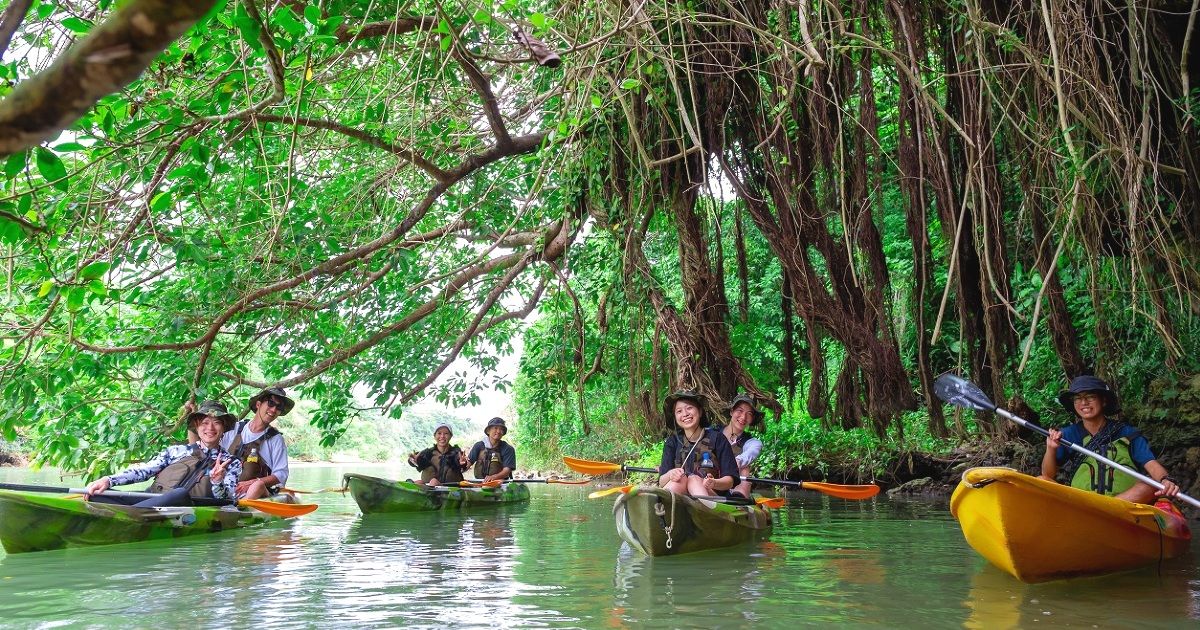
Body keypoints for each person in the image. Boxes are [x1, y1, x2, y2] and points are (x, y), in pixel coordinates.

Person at [1040, 375, 1180, 504]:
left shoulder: (1127, 433)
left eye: (1090, 396)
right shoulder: (1067, 434)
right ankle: (1094, 511)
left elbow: (1151, 463)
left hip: (1123, 504)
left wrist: (1165, 479)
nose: (1084, 402)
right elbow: (1048, 474)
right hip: (1081, 504)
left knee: (1149, 484)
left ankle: (1104, 508)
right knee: (1042, 481)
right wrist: (1051, 449)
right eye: (1078, 398)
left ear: (1104, 400)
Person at [84, 401, 242, 507]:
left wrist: (217, 481)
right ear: (197, 425)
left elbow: (226, 499)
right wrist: (108, 480)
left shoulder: (231, 462)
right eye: (205, 422)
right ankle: (132, 512)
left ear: (224, 427)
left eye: (216, 422)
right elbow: (145, 470)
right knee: (96, 496)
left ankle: (130, 514)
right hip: (153, 500)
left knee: (180, 494)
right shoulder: (177, 451)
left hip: (187, 508)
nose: (210, 428)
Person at [658, 390, 740, 497]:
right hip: (680, 496)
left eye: (689, 408)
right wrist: (670, 474)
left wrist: (714, 483)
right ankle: (663, 508)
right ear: (675, 417)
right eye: (679, 411)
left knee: (694, 480)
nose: (685, 414)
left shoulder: (717, 438)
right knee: (680, 480)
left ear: (700, 412)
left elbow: (730, 481)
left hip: (712, 497)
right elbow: (661, 481)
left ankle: (703, 512)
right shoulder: (672, 442)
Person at [221, 386, 293, 499]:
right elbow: (206, 446)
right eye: (270, 403)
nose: (274, 409)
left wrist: (253, 482)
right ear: (258, 404)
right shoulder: (234, 429)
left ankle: (241, 509)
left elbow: (281, 474)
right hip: (226, 490)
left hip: (257, 495)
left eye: (279, 407)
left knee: (257, 486)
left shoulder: (276, 439)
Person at [722, 394, 765, 499]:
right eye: (739, 411)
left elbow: (751, 453)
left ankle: (739, 498)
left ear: (752, 418)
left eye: (749, 413)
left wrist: (738, 461)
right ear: (732, 411)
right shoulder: (712, 433)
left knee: (745, 468)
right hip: (710, 481)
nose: (743, 417)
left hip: (733, 487)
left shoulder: (752, 442)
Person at [467, 417, 516, 483]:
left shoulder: (508, 449)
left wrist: (494, 477)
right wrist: (463, 465)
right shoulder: (478, 446)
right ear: (488, 431)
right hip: (479, 483)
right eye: (495, 428)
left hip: (501, 484)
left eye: (501, 429)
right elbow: (469, 463)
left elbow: (507, 471)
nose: (498, 431)